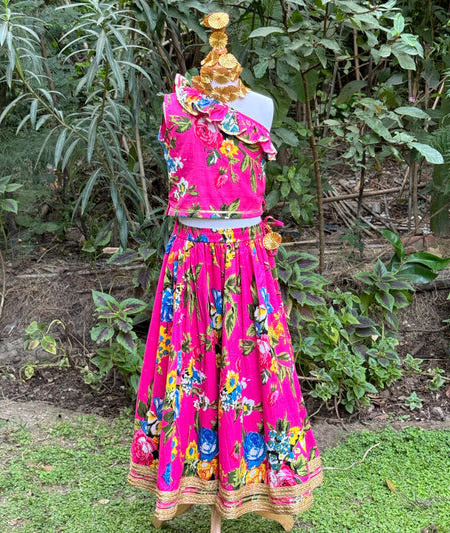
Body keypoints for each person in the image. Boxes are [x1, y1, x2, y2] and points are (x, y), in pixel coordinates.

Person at [127, 12, 323, 533]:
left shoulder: (262, 106)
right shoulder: (174, 104)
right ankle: (188, 481)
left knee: (250, 365)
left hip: (245, 260)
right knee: (188, 368)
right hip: (191, 259)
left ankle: (252, 483)